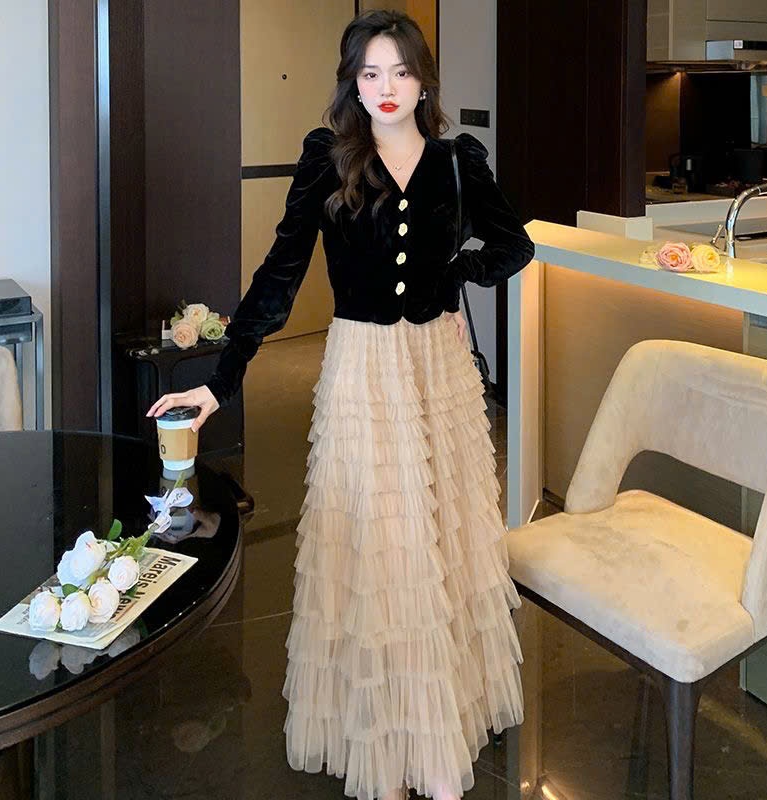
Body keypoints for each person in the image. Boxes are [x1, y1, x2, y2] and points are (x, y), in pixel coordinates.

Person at [147, 9, 535, 800]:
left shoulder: (459, 160)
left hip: (438, 370)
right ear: (352, 83)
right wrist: (221, 381)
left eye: (400, 71)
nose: (386, 88)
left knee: (440, 537)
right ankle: (383, 739)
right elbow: (280, 274)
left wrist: (458, 271)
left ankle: (437, 727)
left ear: (423, 81)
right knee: (379, 546)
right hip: (364, 371)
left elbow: (514, 245)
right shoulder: (328, 160)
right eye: (370, 73)